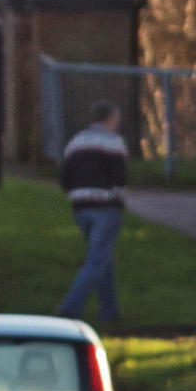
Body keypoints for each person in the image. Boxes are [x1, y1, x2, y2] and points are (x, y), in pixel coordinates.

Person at [55, 100, 132, 329]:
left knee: (103, 260)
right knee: (97, 260)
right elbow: (120, 177)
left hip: (81, 208)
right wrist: (119, 200)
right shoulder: (114, 143)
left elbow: (64, 177)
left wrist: (75, 195)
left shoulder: (76, 142)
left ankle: (109, 312)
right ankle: (70, 308)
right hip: (106, 207)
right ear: (110, 119)